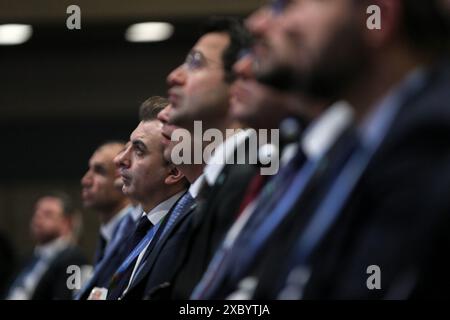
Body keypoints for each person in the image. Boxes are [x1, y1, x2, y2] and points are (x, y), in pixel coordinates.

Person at [105, 96, 188, 300]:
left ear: (174, 171)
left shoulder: (186, 234)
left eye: (139, 150)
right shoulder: (140, 228)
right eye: (126, 148)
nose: (119, 159)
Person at [6, 193, 87, 300]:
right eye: (36, 212)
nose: (38, 217)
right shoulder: (27, 259)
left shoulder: (74, 259)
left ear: (66, 222)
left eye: (48, 214)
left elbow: (67, 296)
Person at [81, 141, 132, 267]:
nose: (85, 181)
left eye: (100, 171)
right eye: (90, 169)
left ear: (124, 177)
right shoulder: (109, 233)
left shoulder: (134, 234)